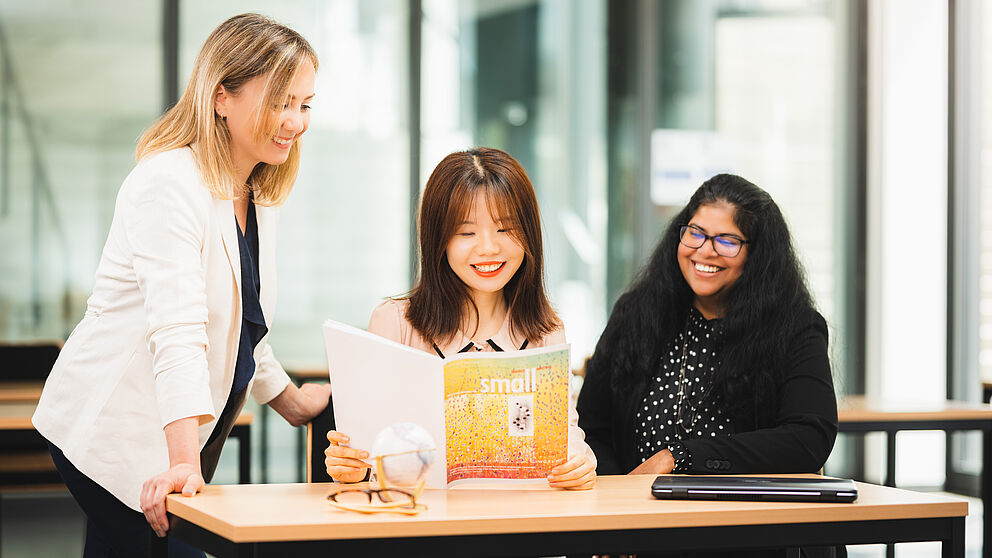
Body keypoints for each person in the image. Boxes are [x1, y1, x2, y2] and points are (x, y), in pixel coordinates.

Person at [32, 13, 330, 557]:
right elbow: (178, 329)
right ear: (221, 97)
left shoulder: (256, 191)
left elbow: (242, 322)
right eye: (280, 102)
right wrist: (184, 464)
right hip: (112, 431)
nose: (295, 121)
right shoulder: (168, 182)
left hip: (168, 440)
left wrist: (291, 401)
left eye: (305, 104)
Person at [324, 147, 597, 490]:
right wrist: (351, 466)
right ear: (438, 239)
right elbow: (368, 452)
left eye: (505, 228)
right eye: (467, 233)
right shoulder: (395, 323)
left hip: (517, 518)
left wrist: (579, 463)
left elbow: (566, 438)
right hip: (420, 516)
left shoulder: (545, 330)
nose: (488, 248)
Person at [577, 173, 837, 478]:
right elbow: (592, 430)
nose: (704, 250)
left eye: (727, 241)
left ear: (757, 255)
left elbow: (808, 439)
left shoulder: (794, 328)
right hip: (636, 505)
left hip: (745, 508)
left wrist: (680, 457)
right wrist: (621, 490)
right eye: (696, 233)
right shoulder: (636, 314)